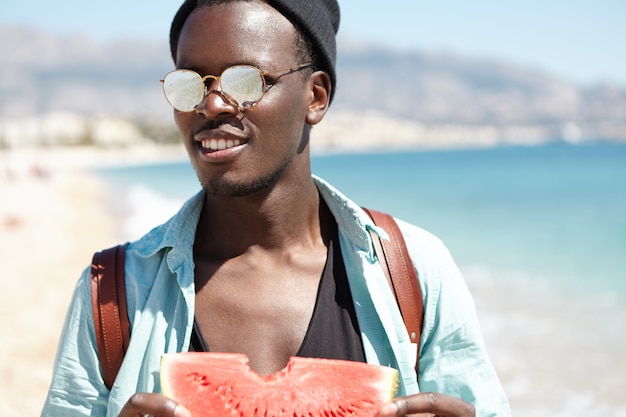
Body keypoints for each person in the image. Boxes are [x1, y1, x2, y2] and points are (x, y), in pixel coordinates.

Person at [41, 1, 511, 416]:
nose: (210, 104)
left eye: (245, 81)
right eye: (190, 84)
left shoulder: (415, 274)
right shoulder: (113, 293)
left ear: (316, 96)